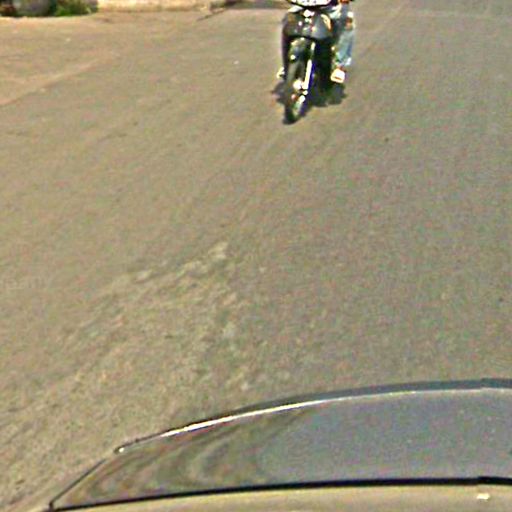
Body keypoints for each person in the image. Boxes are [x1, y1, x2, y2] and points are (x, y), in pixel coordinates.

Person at [278, 0, 355, 85]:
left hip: (330, 5)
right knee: (287, 20)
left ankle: (339, 65)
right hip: (303, 4)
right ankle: (287, 63)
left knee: (346, 21)